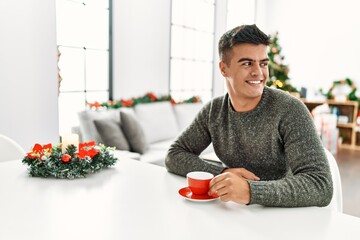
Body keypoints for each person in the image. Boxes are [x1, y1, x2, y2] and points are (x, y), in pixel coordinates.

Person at [165, 24, 333, 207]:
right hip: (235, 212)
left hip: (285, 216)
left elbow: (320, 185)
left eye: (263, 63)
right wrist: (223, 174)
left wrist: (250, 191)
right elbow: (174, 155)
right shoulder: (214, 110)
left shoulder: (290, 109)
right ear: (224, 69)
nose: (258, 72)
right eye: (247, 63)